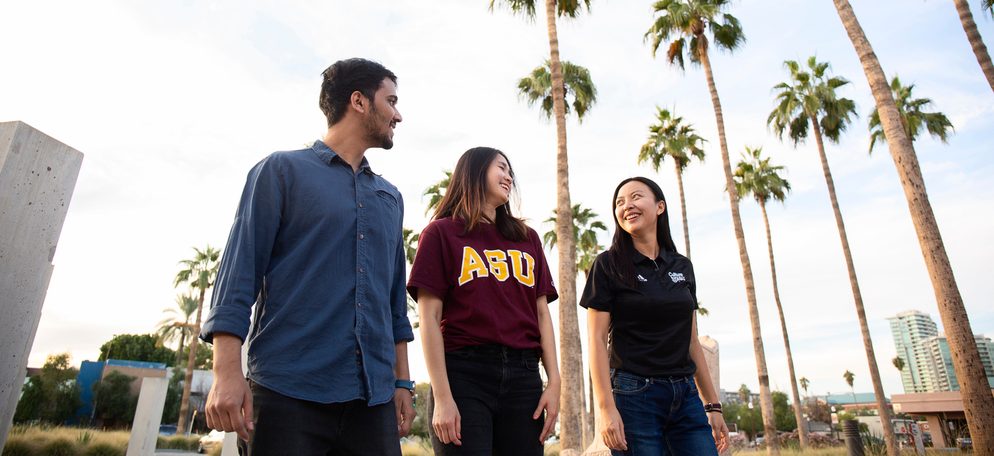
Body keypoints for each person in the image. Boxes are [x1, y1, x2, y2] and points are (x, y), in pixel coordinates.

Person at [199, 58, 415, 456]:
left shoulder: (391, 197)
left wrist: (402, 382)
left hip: (375, 401)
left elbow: (393, 305)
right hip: (287, 394)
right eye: (391, 101)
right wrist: (226, 372)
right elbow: (238, 276)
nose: (398, 114)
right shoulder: (279, 171)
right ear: (359, 101)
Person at [407, 147, 560, 455]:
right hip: (464, 375)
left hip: (523, 377)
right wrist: (443, 397)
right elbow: (430, 318)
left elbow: (541, 313)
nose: (508, 177)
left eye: (510, 172)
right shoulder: (441, 233)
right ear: (474, 171)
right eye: (501, 168)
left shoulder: (527, 238)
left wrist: (554, 382)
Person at [580, 176, 729, 455]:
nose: (627, 206)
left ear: (660, 206)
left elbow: (691, 341)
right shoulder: (607, 265)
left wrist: (713, 405)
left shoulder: (682, 266)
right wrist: (606, 409)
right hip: (634, 394)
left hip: (685, 395)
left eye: (636, 197)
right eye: (619, 202)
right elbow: (597, 340)